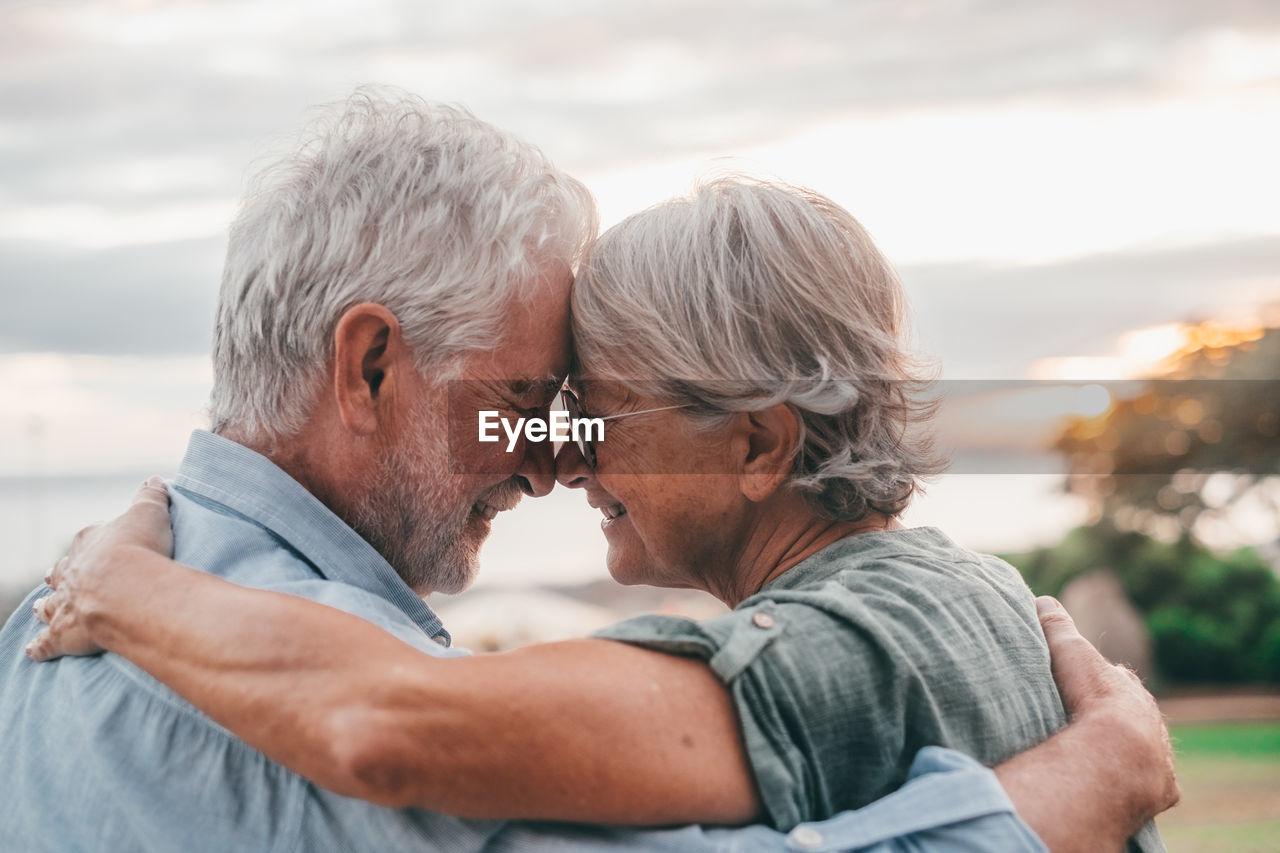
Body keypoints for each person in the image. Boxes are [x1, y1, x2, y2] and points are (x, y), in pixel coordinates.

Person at [6, 90, 1175, 852]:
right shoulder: (279, 684)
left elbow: (388, 715)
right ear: (368, 366)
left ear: (759, 445)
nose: (552, 465)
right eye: (525, 404)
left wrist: (132, 589)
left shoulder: (45, 639)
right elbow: (384, 721)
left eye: (587, 412)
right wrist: (1090, 777)